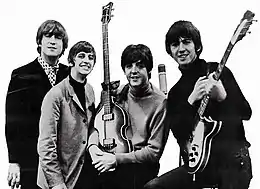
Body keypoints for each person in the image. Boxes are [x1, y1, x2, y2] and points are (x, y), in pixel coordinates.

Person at [144, 20, 253, 189]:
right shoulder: (175, 92)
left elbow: (246, 113)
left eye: (186, 42)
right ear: (170, 51)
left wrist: (223, 96)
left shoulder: (217, 71)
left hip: (233, 162)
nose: (181, 49)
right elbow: (180, 134)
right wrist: (191, 99)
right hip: (200, 166)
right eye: (175, 44)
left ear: (197, 46)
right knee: (153, 187)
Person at [87, 44, 169, 189]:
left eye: (140, 66)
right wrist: (92, 147)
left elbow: (153, 152)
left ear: (149, 69)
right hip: (112, 157)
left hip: (139, 166)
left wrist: (116, 160)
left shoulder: (160, 103)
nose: (134, 71)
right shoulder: (118, 94)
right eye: (129, 66)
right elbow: (96, 127)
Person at [5, 20, 69, 189]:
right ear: (40, 42)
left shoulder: (69, 75)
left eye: (58, 37)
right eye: (47, 36)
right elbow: (12, 121)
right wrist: (14, 161)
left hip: (65, 160)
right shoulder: (21, 75)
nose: (53, 40)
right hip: (31, 159)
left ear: (64, 44)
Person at [37, 41, 99, 189]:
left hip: (80, 172)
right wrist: (56, 183)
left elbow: (89, 127)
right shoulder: (55, 95)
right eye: (81, 56)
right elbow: (46, 145)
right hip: (58, 178)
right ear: (71, 61)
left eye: (90, 58)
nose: (86, 61)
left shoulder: (90, 90)